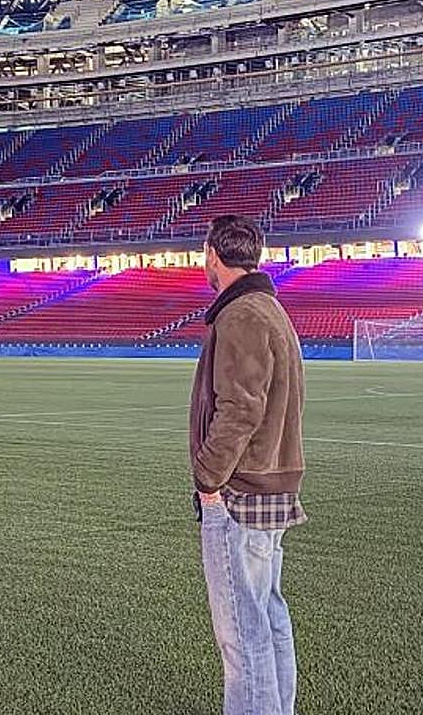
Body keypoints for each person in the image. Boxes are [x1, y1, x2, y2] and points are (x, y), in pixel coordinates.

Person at [189, 214, 307, 715]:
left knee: (241, 632)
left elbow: (240, 408)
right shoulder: (270, 309)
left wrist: (208, 480)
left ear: (214, 255)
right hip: (272, 486)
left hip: (241, 493)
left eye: (204, 253)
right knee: (268, 617)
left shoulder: (241, 316)